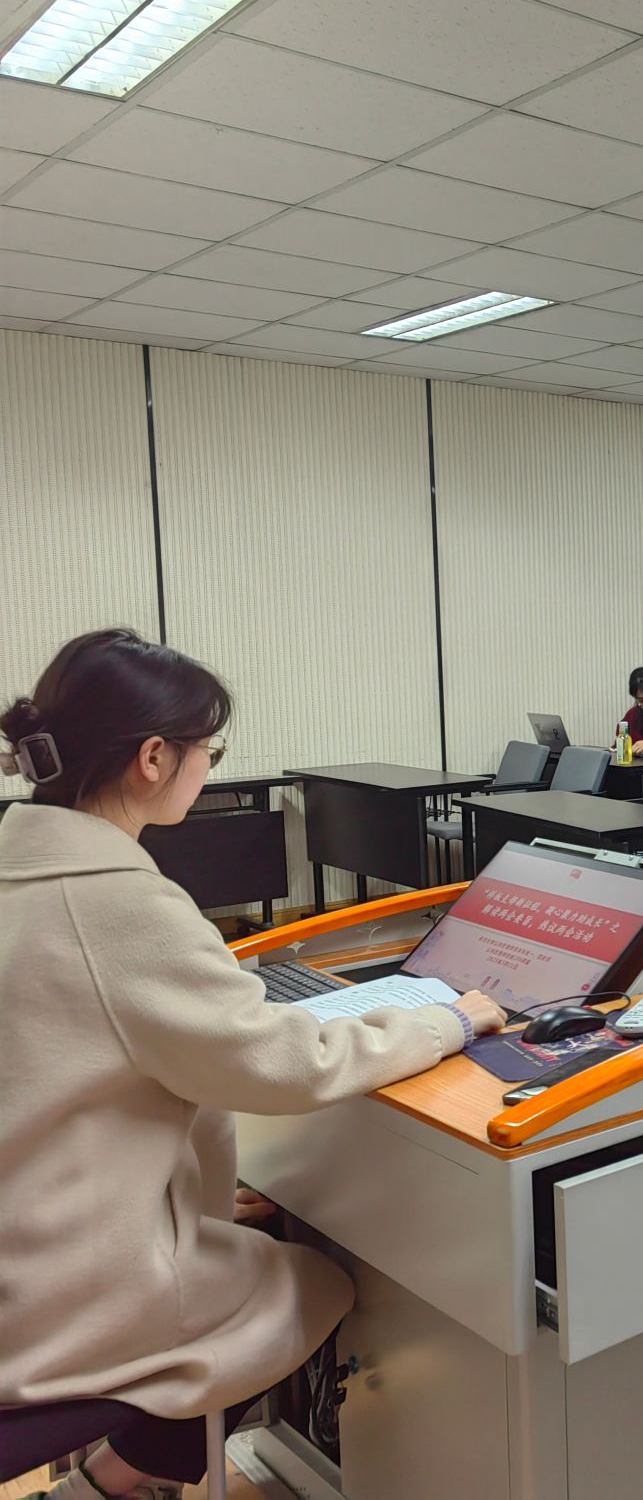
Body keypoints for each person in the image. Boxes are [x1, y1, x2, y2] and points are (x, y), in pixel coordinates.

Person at [0, 630, 506, 1500]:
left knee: (249, 1237)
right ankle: (113, 1484)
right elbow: (287, 1063)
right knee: (311, 1282)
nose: (208, 767)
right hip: (59, 1296)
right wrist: (446, 1022)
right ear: (154, 758)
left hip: (29, 1245)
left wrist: (188, 1195)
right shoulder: (117, 903)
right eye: (209, 749)